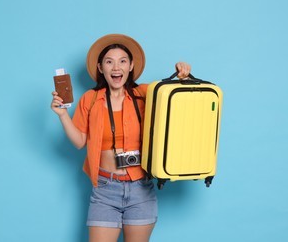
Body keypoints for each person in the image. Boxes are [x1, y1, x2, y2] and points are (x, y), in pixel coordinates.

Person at [51, 34, 191, 242]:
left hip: (141, 189)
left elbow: (178, 102)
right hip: (105, 189)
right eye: (109, 62)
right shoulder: (90, 99)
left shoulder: (145, 93)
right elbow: (80, 141)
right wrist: (63, 115)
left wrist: (184, 76)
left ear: (131, 66)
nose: (116, 68)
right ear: (100, 68)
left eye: (122, 61)